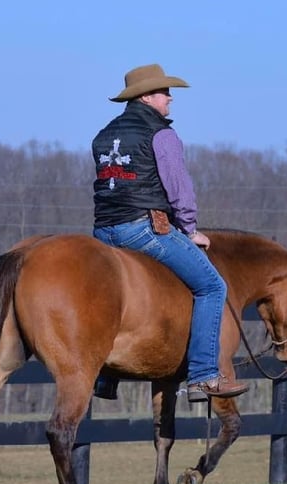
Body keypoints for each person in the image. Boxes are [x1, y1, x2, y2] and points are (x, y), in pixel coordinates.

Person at [90, 63, 248, 403]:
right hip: (144, 230)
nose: (170, 99)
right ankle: (204, 376)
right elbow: (180, 190)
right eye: (164, 92)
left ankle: (104, 378)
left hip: (103, 233)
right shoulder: (162, 135)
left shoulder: (104, 134)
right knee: (212, 286)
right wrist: (189, 229)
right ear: (146, 96)